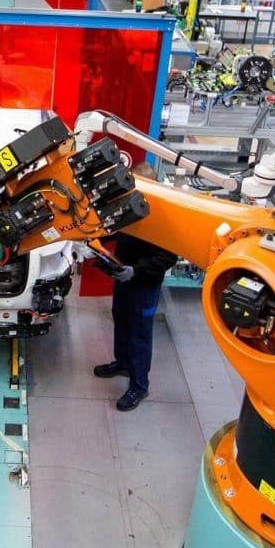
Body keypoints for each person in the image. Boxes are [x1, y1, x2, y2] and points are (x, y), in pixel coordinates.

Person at [93, 164, 178, 412]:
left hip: (144, 285)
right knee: (120, 320)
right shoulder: (131, 203)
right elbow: (118, 229)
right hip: (123, 276)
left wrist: (136, 271)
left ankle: (139, 386)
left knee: (140, 333)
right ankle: (122, 363)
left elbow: (168, 257)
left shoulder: (165, 216)